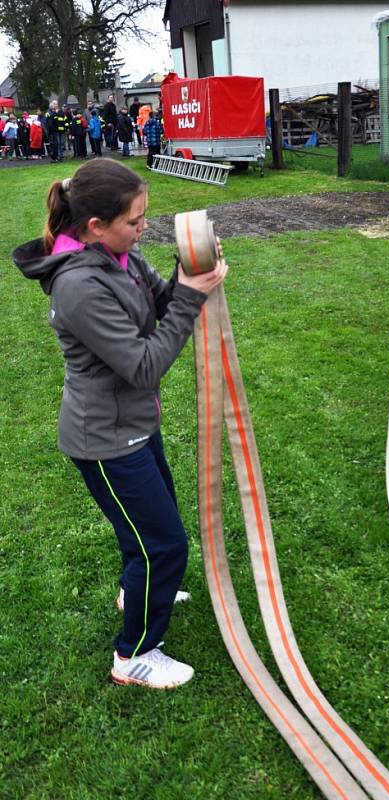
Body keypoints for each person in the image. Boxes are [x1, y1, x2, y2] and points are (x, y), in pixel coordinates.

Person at [12, 159, 228, 688]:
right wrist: (193, 295)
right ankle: (133, 654)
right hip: (105, 440)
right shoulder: (79, 286)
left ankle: (139, 590)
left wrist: (187, 269)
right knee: (164, 544)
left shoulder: (117, 255)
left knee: (147, 529)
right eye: (134, 221)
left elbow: (159, 298)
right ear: (94, 226)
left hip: (133, 425)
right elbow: (143, 364)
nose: (143, 228)